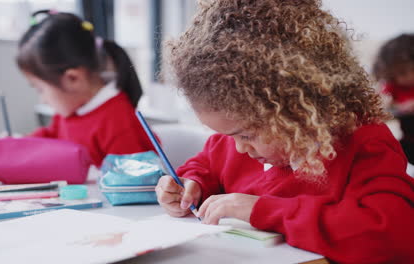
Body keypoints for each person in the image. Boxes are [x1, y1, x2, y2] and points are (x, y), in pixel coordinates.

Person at [155, 1, 414, 263]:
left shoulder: (364, 142)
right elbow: (206, 165)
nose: (238, 148)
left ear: (294, 110)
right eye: (228, 135)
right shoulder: (233, 143)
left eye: (246, 135)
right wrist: (190, 185)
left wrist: (263, 210)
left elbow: (391, 236)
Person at [16, 10, 156, 166]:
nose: (42, 99)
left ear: (73, 79)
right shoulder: (70, 110)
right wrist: (17, 143)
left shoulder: (118, 122)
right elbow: (51, 138)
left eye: (40, 89)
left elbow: (136, 180)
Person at [373, 33, 414, 165]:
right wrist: (386, 102)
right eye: (393, 75)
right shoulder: (394, 85)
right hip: (409, 141)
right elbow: (382, 98)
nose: (399, 79)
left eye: (403, 72)